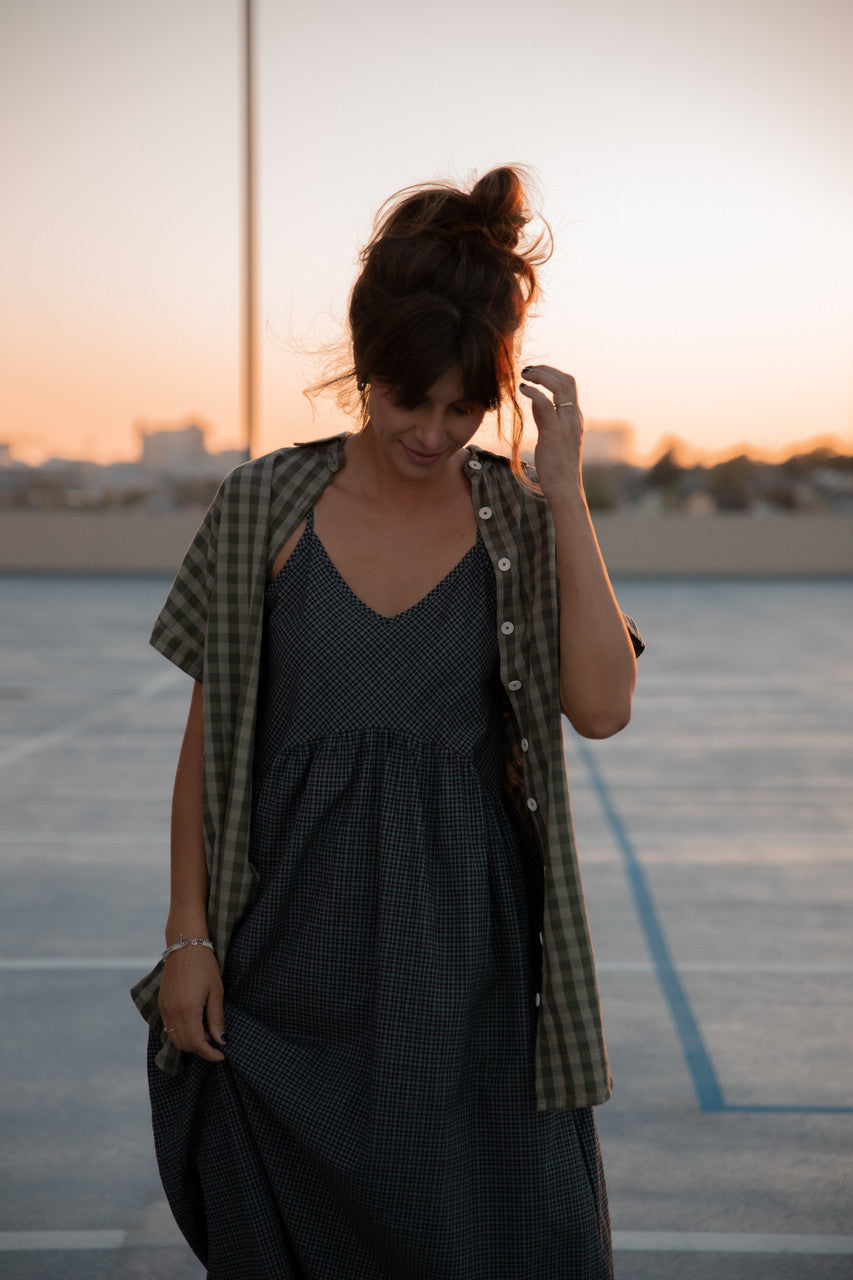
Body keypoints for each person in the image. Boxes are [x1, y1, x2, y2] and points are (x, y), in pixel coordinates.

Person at [132, 164, 643, 1280]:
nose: (435, 429)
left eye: (465, 407)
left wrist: (564, 488)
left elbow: (602, 705)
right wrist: (188, 937)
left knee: (500, 1231)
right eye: (412, 399)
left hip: (475, 969)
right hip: (287, 955)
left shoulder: (515, 515)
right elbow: (206, 750)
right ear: (365, 367)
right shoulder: (264, 503)